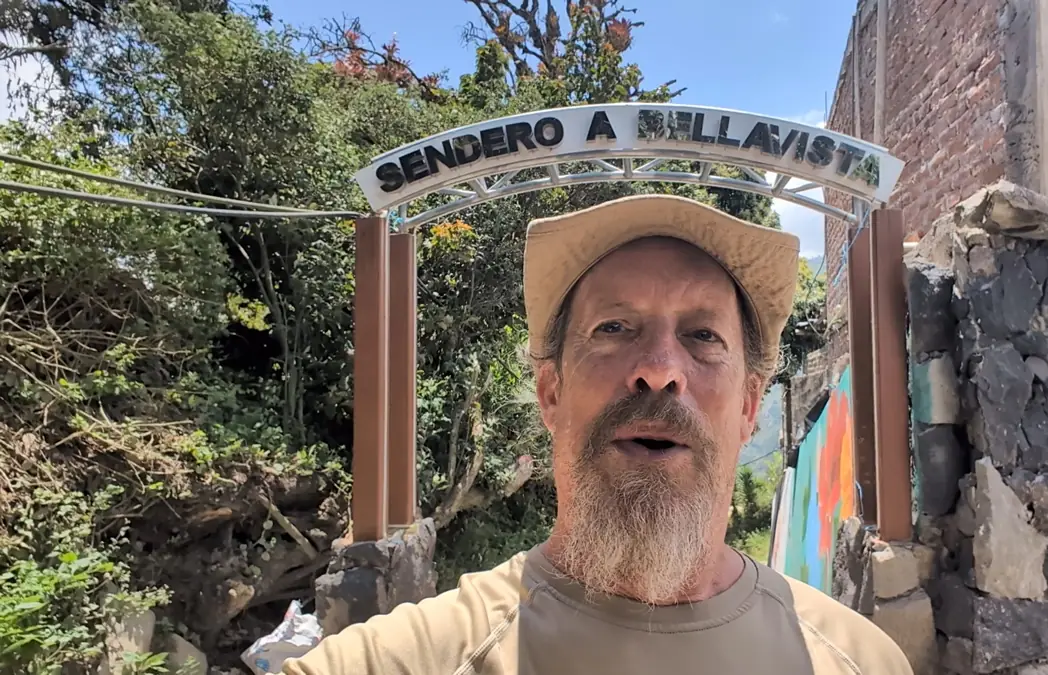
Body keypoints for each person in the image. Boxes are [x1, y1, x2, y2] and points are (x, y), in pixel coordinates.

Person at [280, 194, 913, 675]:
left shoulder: (862, 662)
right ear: (551, 392)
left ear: (750, 404)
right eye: (614, 328)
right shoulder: (415, 659)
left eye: (702, 335)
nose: (660, 370)